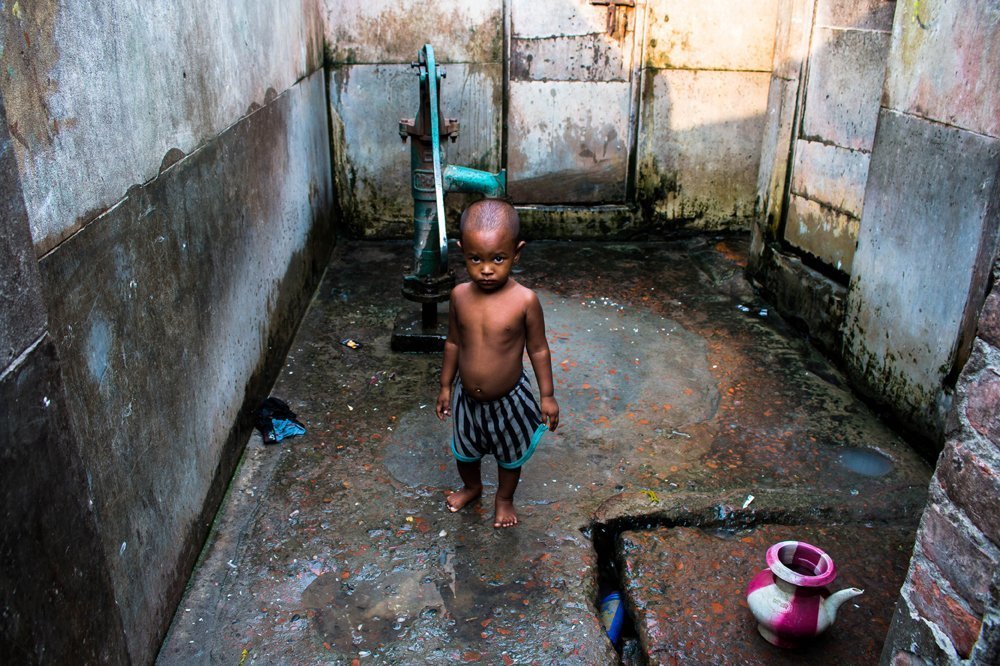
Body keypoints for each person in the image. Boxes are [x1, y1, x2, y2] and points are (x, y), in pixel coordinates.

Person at [435, 198, 560, 528]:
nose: (486, 269)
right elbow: (453, 342)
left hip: (509, 400)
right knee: (465, 452)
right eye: (476, 258)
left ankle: (504, 499)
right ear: (463, 251)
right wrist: (445, 386)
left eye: (498, 258)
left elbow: (539, 350)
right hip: (466, 399)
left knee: (510, 455)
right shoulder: (460, 296)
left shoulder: (524, 301)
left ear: (517, 253)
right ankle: (472, 487)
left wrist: (547, 395)